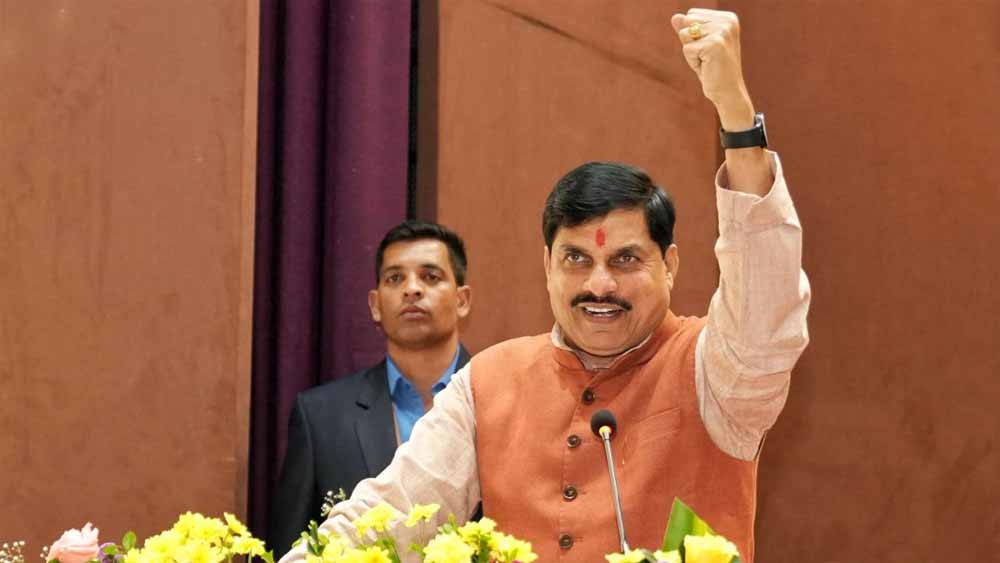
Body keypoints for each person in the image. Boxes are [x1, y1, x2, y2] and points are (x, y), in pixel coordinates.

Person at [277, 9, 810, 563]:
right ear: (548, 268)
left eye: (625, 259)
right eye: (577, 258)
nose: (599, 284)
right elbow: (387, 516)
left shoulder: (716, 372)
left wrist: (736, 119)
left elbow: (766, 304)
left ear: (669, 264)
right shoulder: (486, 383)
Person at [267, 220, 473, 558]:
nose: (412, 289)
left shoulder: (500, 400)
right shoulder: (320, 418)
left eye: (430, 277)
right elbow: (290, 548)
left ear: (463, 300)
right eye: (395, 278)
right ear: (375, 305)